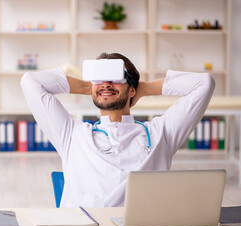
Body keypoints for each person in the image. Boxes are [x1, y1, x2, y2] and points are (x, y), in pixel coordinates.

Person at [21, 52, 215, 208]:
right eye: (99, 78)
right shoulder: (71, 134)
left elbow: (204, 84)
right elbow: (30, 81)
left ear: (132, 89)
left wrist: (144, 88)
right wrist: (89, 86)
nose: (106, 83)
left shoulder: (161, 133)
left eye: (115, 78)